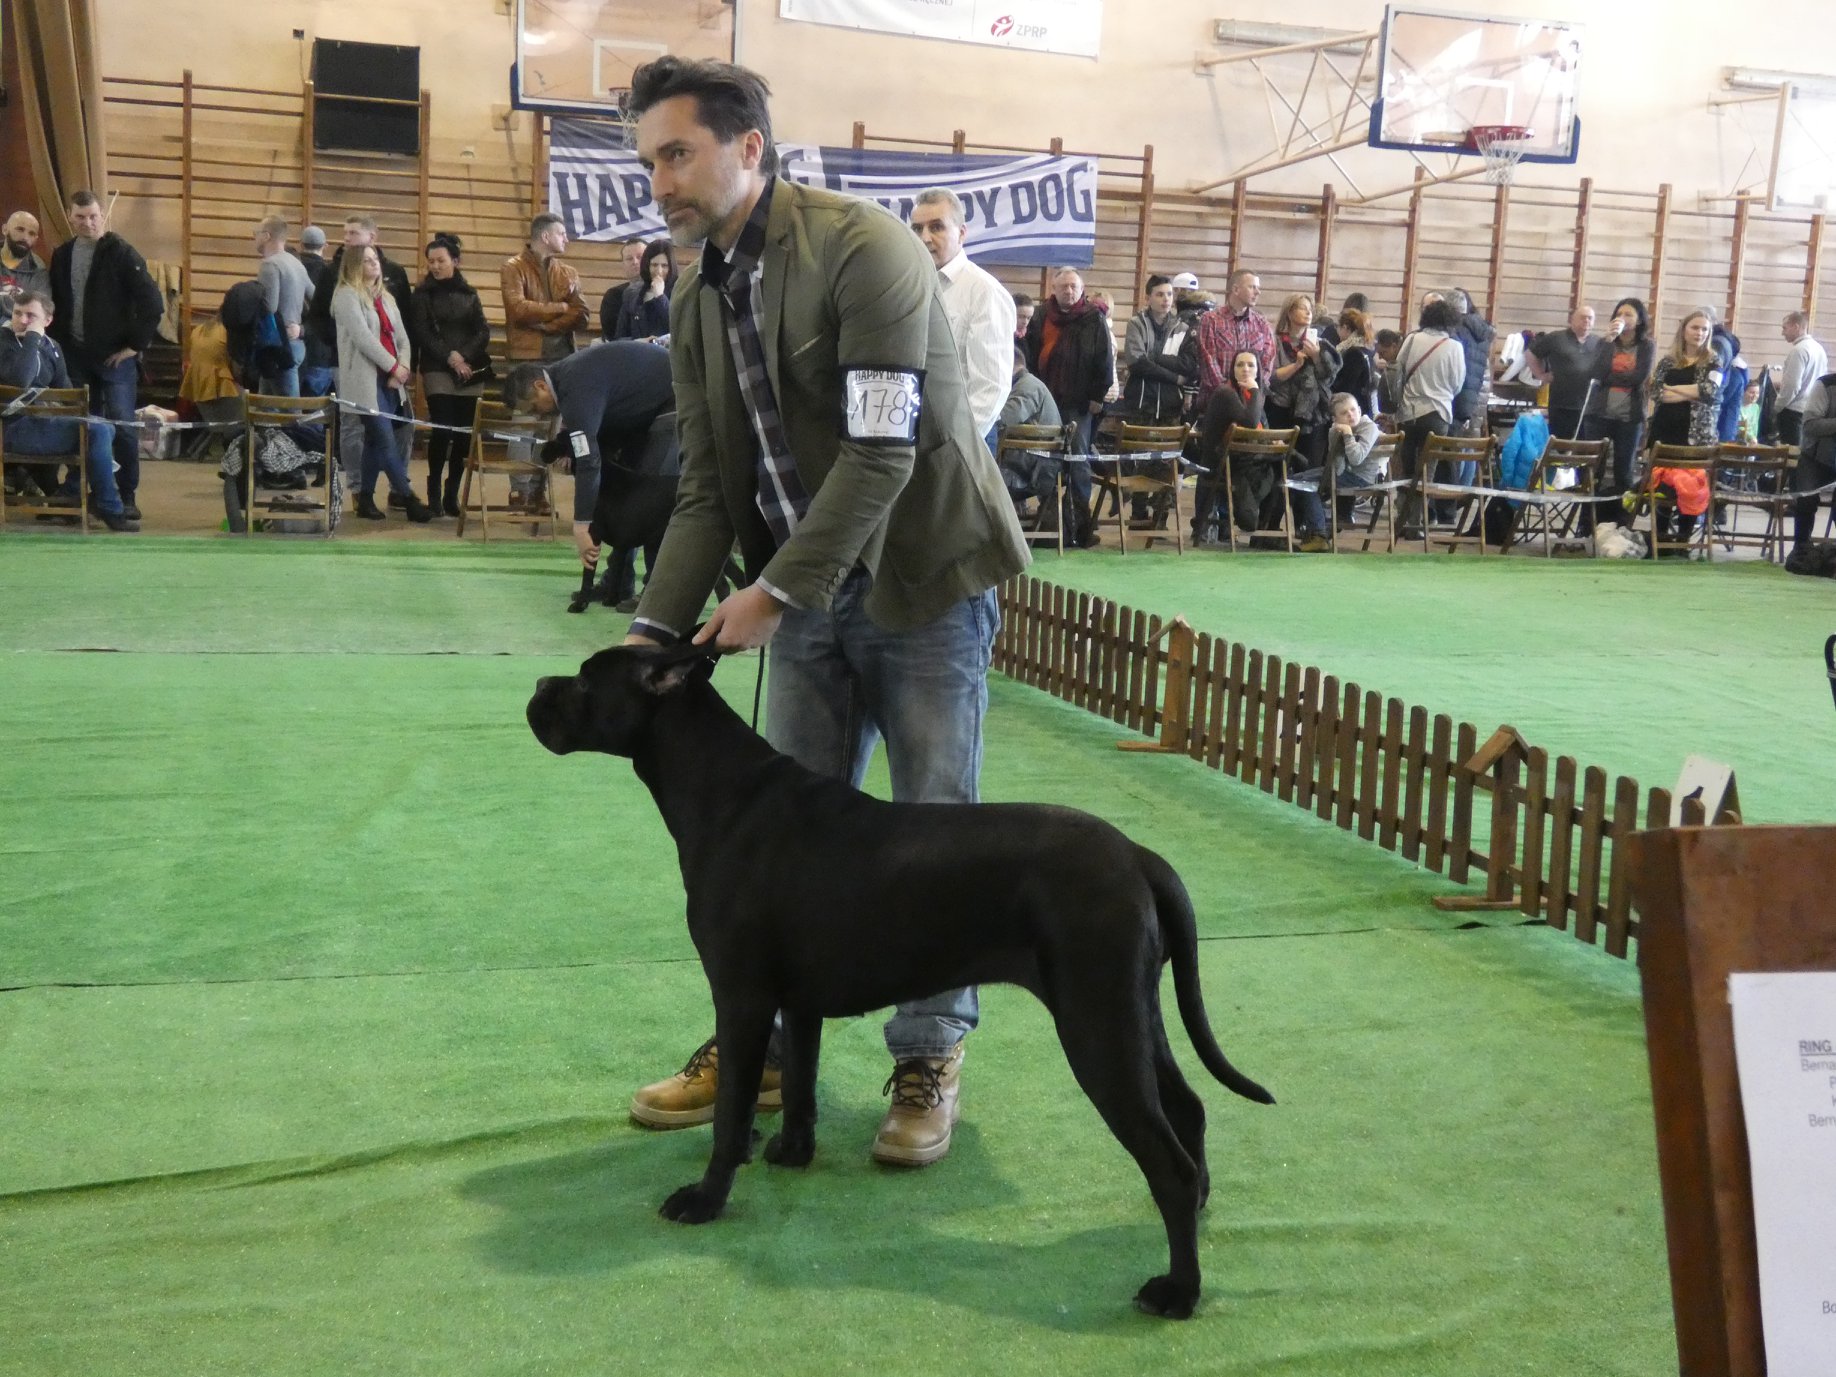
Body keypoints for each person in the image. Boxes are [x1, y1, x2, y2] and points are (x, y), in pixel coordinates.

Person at [619, 54, 1028, 1166]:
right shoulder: (696, 288)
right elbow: (709, 485)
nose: (660, 181)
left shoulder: (866, 251)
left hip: (924, 583)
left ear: (748, 147)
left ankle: (929, 1053)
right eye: (650, 159)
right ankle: (762, 1051)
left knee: (935, 833)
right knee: (781, 841)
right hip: (800, 597)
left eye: (678, 153)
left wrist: (775, 591)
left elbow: (883, 450)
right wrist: (650, 630)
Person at [508, 342, 676, 604]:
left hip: (673, 402)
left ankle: (658, 594)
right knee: (626, 501)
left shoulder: (574, 387)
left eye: (532, 406)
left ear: (540, 386)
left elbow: (589, 461)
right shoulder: (566, 382)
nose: (536, 413)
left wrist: (581, 524)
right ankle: (618, 584)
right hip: (641, 414)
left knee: (651, 503)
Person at [46, 189, 163, 520]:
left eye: (93, 216)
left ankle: (126, 496)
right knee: (83, 428)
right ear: (70, 217)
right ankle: (79, 494)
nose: (88, 222)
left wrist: (134, 348)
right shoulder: (62, 254)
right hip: (76, 357)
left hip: (116, 361)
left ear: (103, 216)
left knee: (123, 428)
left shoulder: (123, 253)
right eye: (80, 217)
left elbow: (154, 304)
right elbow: (57, 303)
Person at [0, 290, 135, 530]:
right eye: (17, 313)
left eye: (31, 315)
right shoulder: (4, 341)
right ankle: (106, 505)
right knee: (100, 432)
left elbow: (68, 396)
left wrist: (71, 413)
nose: (21, 320)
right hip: (11, 429)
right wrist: (32, 337)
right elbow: (20, 380)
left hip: (42, 425)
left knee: (102, 429)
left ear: (48, 320)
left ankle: (70, 496)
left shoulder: (53, 347)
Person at [909, 188, 1016, 453]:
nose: (924, 238)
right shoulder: (910, 286)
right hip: (914, 437)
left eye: (937, 227)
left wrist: (956, 446)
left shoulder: (984, 292)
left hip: (963, 441)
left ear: (962, 233)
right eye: (916, 229)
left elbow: (991, 387)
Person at [331, 244, 432, 523]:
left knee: (377, 442)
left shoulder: (387, 298)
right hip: (365, 379)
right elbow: (363, 338)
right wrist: (394, 366)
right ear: (354, 265)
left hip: (389, 379)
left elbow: (402, 338)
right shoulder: (346, 296)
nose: (374, 264)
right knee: (384, 438)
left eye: (375, 259)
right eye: (366, 260)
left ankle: (365, 498)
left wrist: (403, 367)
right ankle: (409, 497)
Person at [1023, 266, 1114, 548]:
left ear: (1081, 289)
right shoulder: (1039, 317)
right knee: (1045, 462)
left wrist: (1097, 398)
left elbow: (1104, 361)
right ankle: (1049, 523)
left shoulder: (1093, 319)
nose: (1069, 291)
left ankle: (1079, 528)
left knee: (1078, 465)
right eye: (1064, 287)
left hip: (1079, 405)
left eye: (1074, 286)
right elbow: (1027, 357)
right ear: (1053, 289)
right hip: (1044, 403)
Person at [408, 232, 493, 517]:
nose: (435, 266)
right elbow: (422, 332)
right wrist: (451, 357)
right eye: (430, 261)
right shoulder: (422, 295)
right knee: (443, 429)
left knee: (464, 435)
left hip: (469, 370)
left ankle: (451, 492)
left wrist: (465, 356)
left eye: (440, 260)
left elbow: (482, 331)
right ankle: (433, 489)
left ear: (455, 261)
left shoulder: (470, 294)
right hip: (437, 368)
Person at [1647, 308, 1724, 548]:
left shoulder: (1714, 360)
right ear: (1684, 330)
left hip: (1697, 436)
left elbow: (1710, 392)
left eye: (1704, 329)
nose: (1699, 333)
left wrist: (1675, 389)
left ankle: (1683, 540)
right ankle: (1659, 539)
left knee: (1691, 487)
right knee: (1663, 487)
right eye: (1695, 327)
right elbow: (1655, 391)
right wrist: (1692, 391)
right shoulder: (1668, 361)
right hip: (1664, 431)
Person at [1390, 298, 1466, 538]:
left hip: (1409, 412)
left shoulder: (1412, 339)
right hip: (1438, 413)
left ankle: (1401, 519)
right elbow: (1457, 384)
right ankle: (1416, 523)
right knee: (1427, 472)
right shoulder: (1454, 346)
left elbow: (1397, 371)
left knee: (1406, 468)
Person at [1581, 297, 1655, 524]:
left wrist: (1609, 377)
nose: (1622, 318)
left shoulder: (1646, 346)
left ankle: (1623, 523)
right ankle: (1587, 524)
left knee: (1624, 471)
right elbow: (1595, 372)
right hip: (1598, 414)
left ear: (1639, 319)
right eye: (1619, 314)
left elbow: (1638, 377)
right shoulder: (1605, 343)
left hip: (1628, 417)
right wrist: (1608, 341)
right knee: (1593, 471)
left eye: (1628, 314)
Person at [1192, 348, 1266, 542]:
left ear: (1258, 371)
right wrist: (1255, 390)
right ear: (1232, 370)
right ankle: (1251, 520)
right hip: (1219, 465)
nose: (1245, 369)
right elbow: (1250, 422)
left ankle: (1264, 531)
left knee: (1279, 470)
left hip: (1240, 461)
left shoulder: (1252, 397)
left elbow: (1263, 427)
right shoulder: (1225, 393)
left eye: (1251, 365)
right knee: (1269, 471)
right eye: (1240, 364)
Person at [1263, 293, 1340, 474]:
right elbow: (1271, 377)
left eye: (1310, 310)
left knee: (1307, 467)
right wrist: (1297, 365)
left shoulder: (1319, 343)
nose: (1308, 313)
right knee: (1276, 467)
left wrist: (1316, 357)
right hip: (1280, 408)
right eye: (1302, 308)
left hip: (1310, 414)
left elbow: (1329, 378)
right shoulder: (1275, 342)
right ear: (1289, 313)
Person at [501, 212, 589, 367]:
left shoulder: (569, 272)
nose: (566, 239)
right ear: (546, 237)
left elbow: (582, 314)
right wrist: (561, 307)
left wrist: (548, 327)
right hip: (526, 356)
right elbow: (518, 309)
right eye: (561, 234)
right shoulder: (513, 267)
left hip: (565, 355)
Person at [1190, 268, 1276, 411]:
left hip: (1251, 403)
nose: (1257, 292)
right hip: (1216, 404)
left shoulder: (1261, 323)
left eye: (1258, 288)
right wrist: (1230, 395)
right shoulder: (1211, 320)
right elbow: (1208, 362)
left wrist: (1254, 389)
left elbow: (1267, 363)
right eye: (1252, 287)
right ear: (1236, 290)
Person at [994, 341, 1063, 516]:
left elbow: (1003, 419)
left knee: (978, 471)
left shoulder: (1027, 388)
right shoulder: (1027, 385)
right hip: (1032, 465)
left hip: (1034, 470)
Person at [253, 215, 313, 396]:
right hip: (296, 344)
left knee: (288, 411)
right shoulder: (297, 264)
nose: (254, 238)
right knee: (267, 407)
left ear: (266, 236)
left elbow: (269, 307)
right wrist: (302, 328)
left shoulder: (270, 265)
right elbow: (317, 298)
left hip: (278, 347)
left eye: (256, 233)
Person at [1121, 274, 1194, 424]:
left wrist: (1154, 357)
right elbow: (1138, 364)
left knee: (1169, 448)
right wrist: (1175, 378)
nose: (1166, 299)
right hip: (1141, 403)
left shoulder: (1182, 328)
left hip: (1171, 405)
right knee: (1138, 447)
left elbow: (1187, 365)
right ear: (1148, 299)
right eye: (1160, 294)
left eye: (1169, 294)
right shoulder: (1136, 324)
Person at [1529, 305, 1604, 441]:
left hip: (1589, 408)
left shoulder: (1599, 342)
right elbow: (1530, 354)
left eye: (1590, 318)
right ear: (1572, 320)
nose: (1586, 321)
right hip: (1561, 404)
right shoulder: (1556, 338)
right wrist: (1540, 374)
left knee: (1585, 448)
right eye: (1582, 317)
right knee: (1560, 446)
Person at [1789, 368, 1836, 554]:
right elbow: (1810, 425)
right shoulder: (1825, 385)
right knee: (1806, 501)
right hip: (1815, 457)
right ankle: (1801, 550)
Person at [1778, 311, 1828, 449]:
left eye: (1784, 328)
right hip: (1811, 411)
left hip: (1793, 412)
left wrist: (1777, 407)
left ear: (1796, 327)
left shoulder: (1798, 351)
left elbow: (1792, 386)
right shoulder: (1819, 349)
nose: (1783, 333)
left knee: (1789, 457)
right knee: (1802, 457)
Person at [296, 225, 336, 396]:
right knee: (315, 414)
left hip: (290, 350)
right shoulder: (330, 275)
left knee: (288, 410)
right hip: (321, 352)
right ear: (325, 246)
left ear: (300, 244)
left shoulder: (291, 269)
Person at [614, 239, 678, 342]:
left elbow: (678, 327)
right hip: (638, 354)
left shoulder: (680, 291)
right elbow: (619, 338)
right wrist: (638, 342)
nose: (659, 271)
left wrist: (660, 297)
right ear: (647, 265)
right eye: (654, 265)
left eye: (664, 266)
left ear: (671, 267)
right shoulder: (631, 293)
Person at [599, 236, 648, 341]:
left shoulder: (665, 291)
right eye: (629, 259)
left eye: (640, 257)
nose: (635, 262)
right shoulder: (613, 296)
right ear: (623, 265)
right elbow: (611, 334)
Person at [1, 210, 49, 315]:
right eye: (20, 229)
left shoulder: (39, 270)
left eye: (31, 233)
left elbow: (41, 311)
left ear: (36, 239)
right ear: (5, 229)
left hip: (18, 329)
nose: (25, 237)